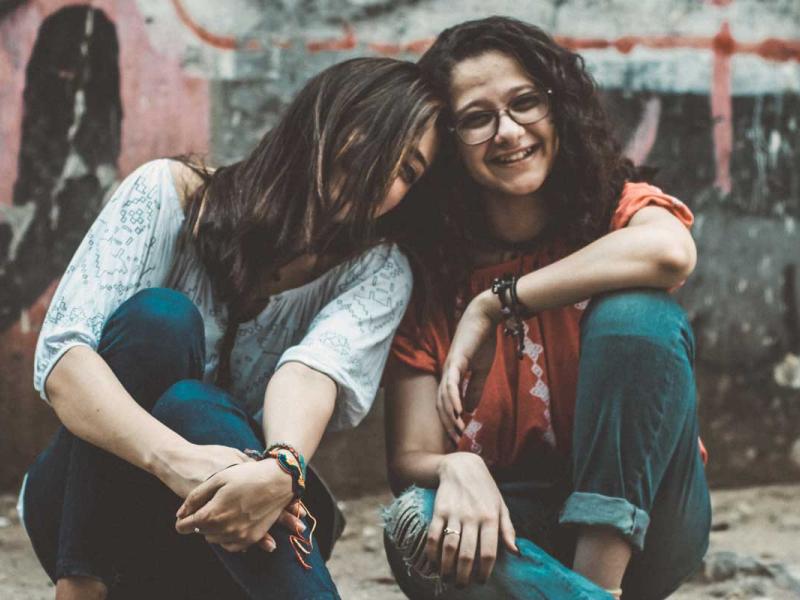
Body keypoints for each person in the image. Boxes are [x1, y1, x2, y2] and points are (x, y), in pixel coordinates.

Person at [18, 56, 439, 600]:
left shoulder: (378, 269)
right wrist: (178, 461)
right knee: (160, 319)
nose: (386, 175)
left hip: (243, 526)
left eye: (409, 171)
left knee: (195, 404)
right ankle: (81, 587)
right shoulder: (168, 194)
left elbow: (312, 372)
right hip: (79, 519)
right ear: (326, 116)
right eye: (381, 138)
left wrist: (281, 468)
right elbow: (63, 363)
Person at [382, 16, 710, 600]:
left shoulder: (617, 210)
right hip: (516, 528)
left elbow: (669, 251)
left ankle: (592, 584)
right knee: (413, 523)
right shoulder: (431, 271)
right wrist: (459, 468)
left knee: (638, 314)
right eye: (477, 118)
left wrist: (493, 304)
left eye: (525, 103)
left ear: (558, 108)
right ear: (449, 142)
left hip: (651, 522)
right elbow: (410, 456)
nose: (508, 131)